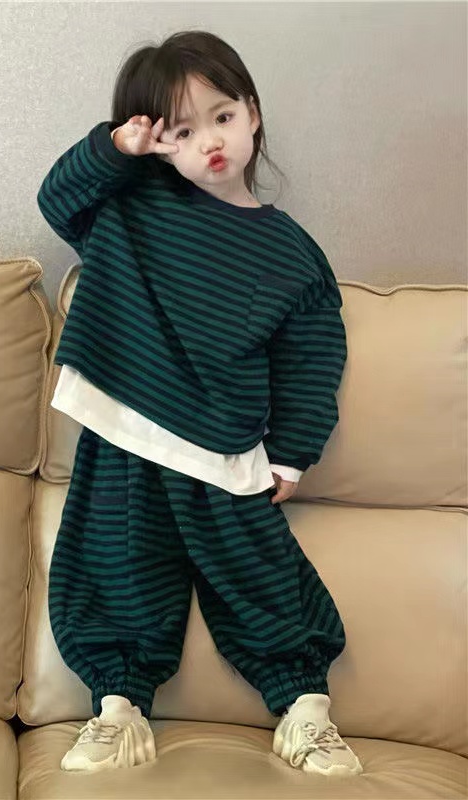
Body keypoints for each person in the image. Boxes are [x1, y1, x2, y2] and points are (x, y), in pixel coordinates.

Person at [36, 30, 363, 778]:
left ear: (252, 114)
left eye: (222, 117)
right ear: (158, 144)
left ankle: (306, 707)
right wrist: (115, 149)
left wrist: (293, 454)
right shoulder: (129, 202)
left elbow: (313, 356)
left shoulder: (293, 254)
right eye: (182, 132)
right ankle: (117, 708)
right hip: (123, 426)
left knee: (259, 568)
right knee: (115, 559)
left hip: (223, 441)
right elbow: (58, 200)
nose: (209, 142)